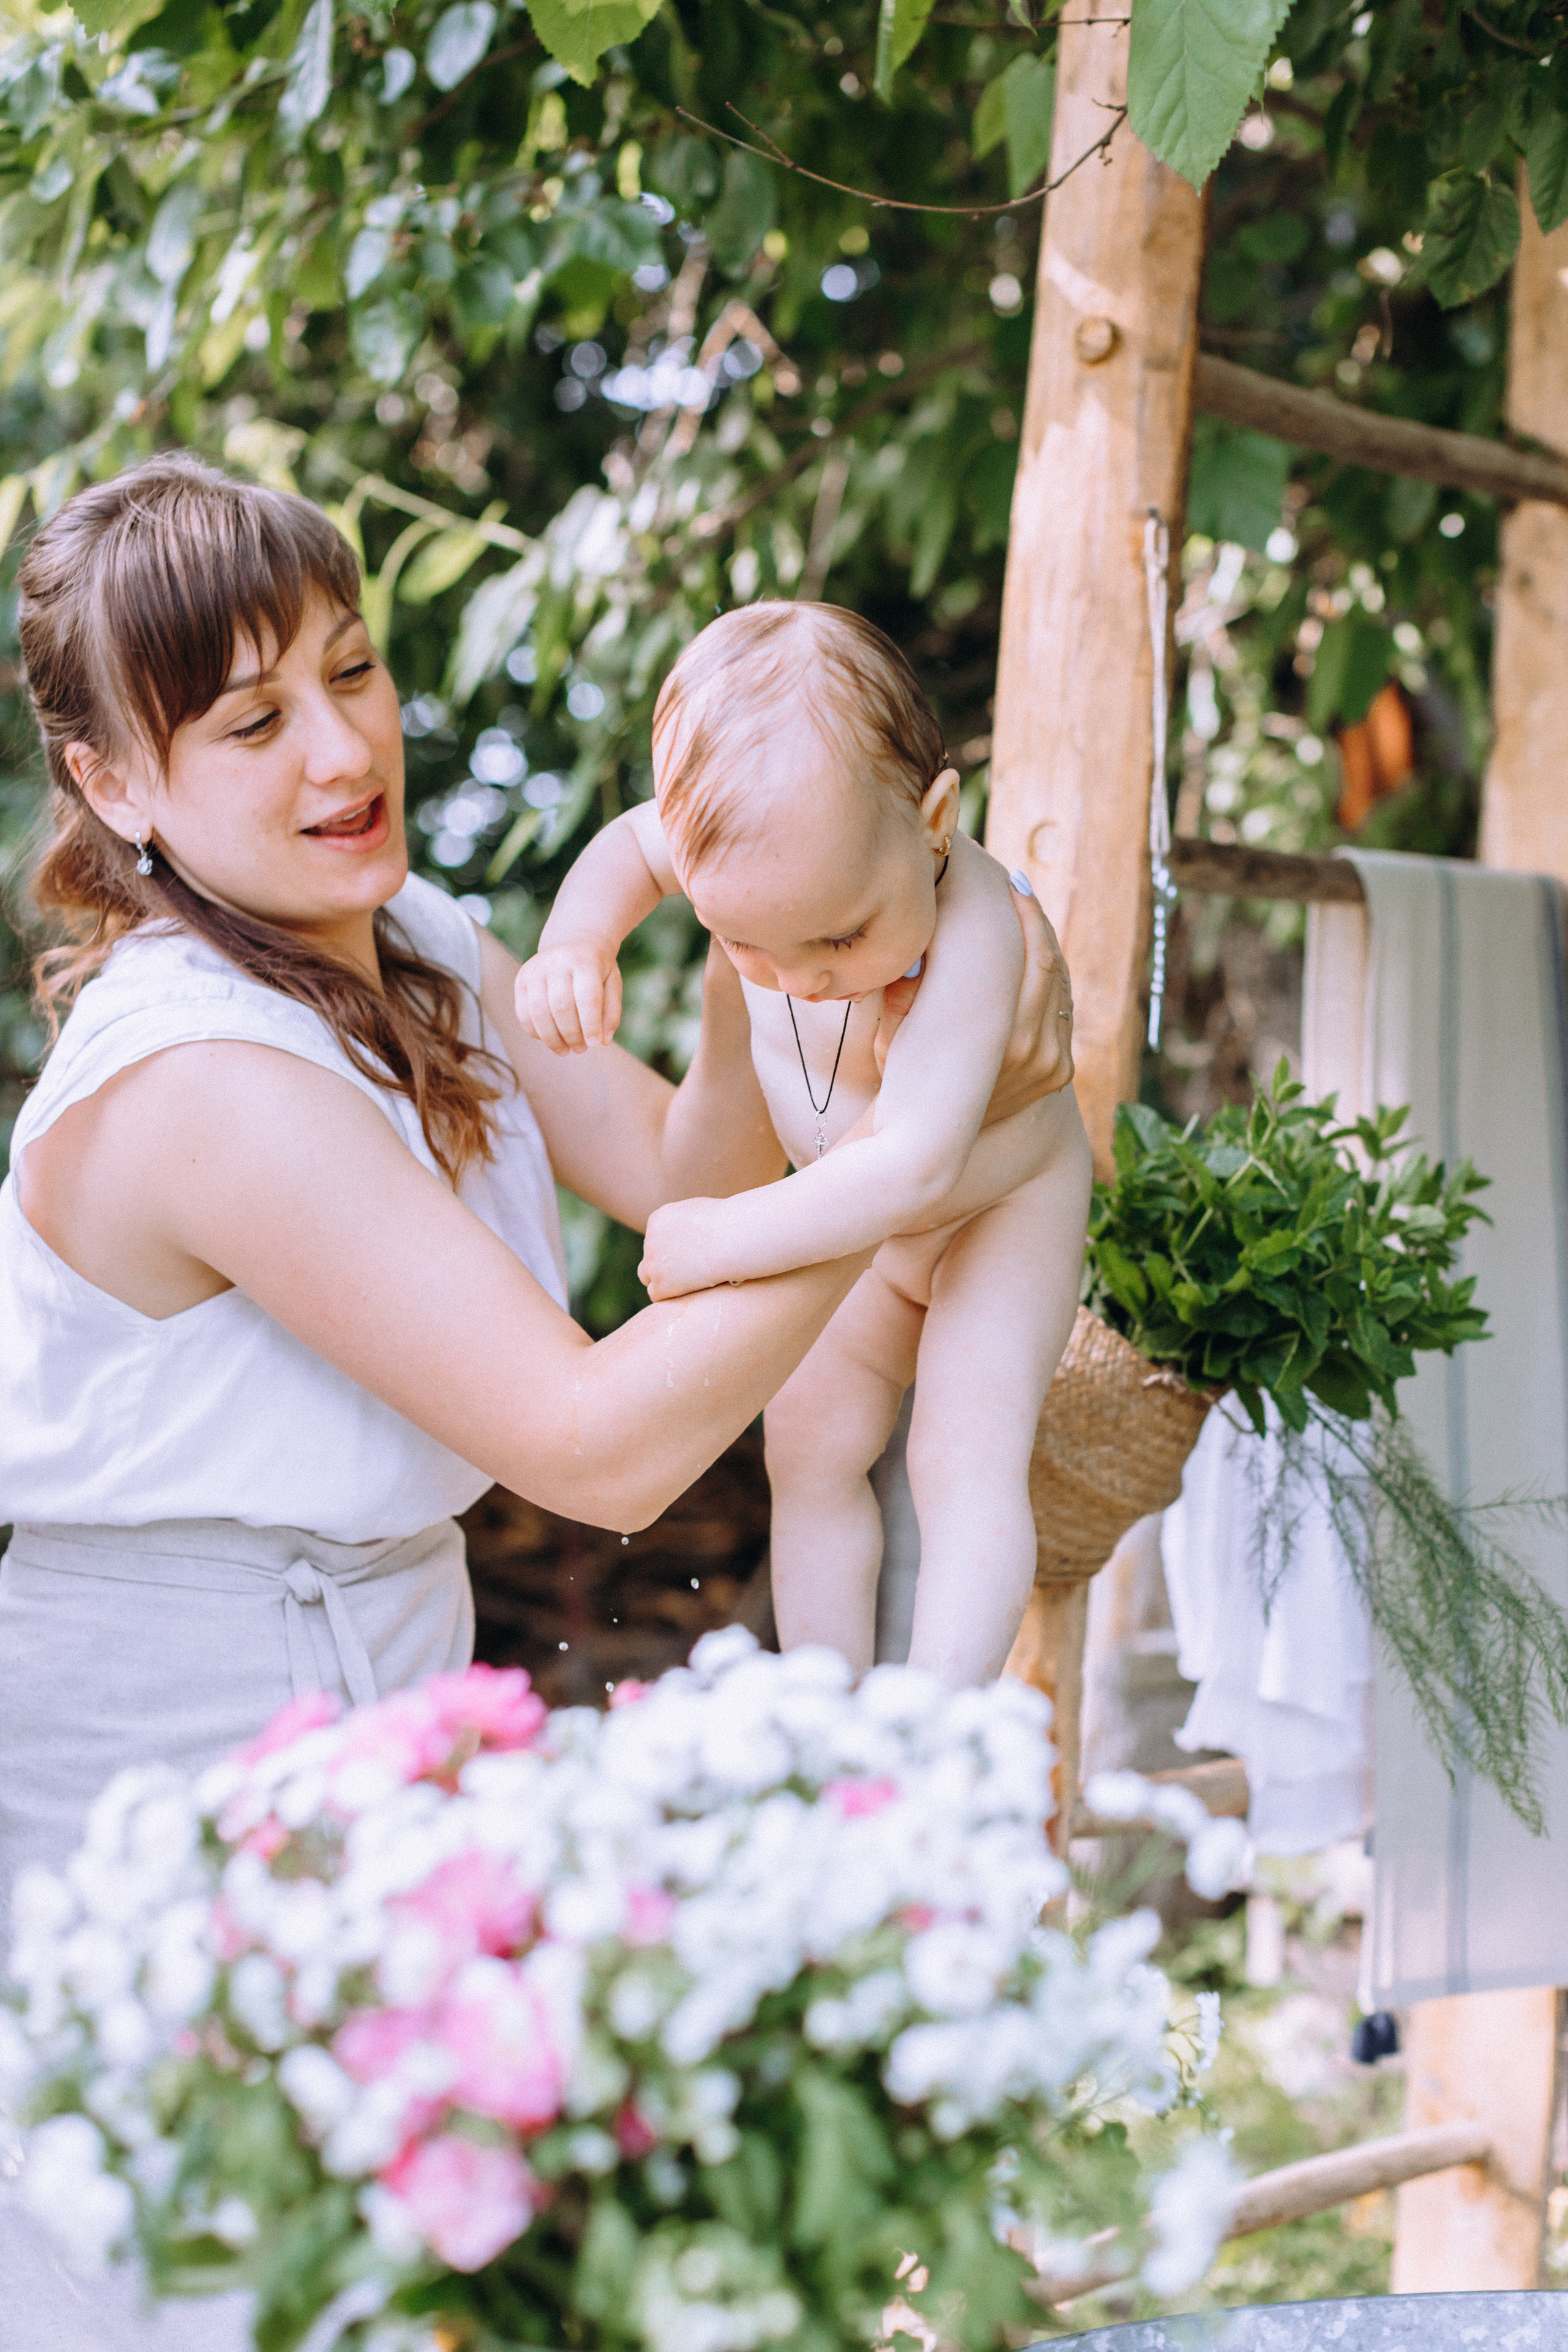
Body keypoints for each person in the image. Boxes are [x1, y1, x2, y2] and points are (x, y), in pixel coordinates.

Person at [0, 458, 1074, 2348]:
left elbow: (685, 1174)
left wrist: (790, 962)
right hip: (158, 1748)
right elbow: (598, 1441)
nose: (347, 747)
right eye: (256, 721)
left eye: (355, 669)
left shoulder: (422, 951)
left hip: (384, 1693)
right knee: (208, 2290)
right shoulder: (192, 1075)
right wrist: (948, 1158)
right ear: (113, 786)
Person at [515, 603, 1093, 1687]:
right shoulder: (757, 855)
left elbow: (918, 1164)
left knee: (960, 1459)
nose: (803, 977)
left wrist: (728, 1235)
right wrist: (578, 939)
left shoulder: (974, 929)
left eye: (840, 935)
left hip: (993, 1211)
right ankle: (825, 1707)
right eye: (745, 944)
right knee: (811, 1449)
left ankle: (935, 1723)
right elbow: (631, 847)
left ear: (934, 820)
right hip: (848, 1217)